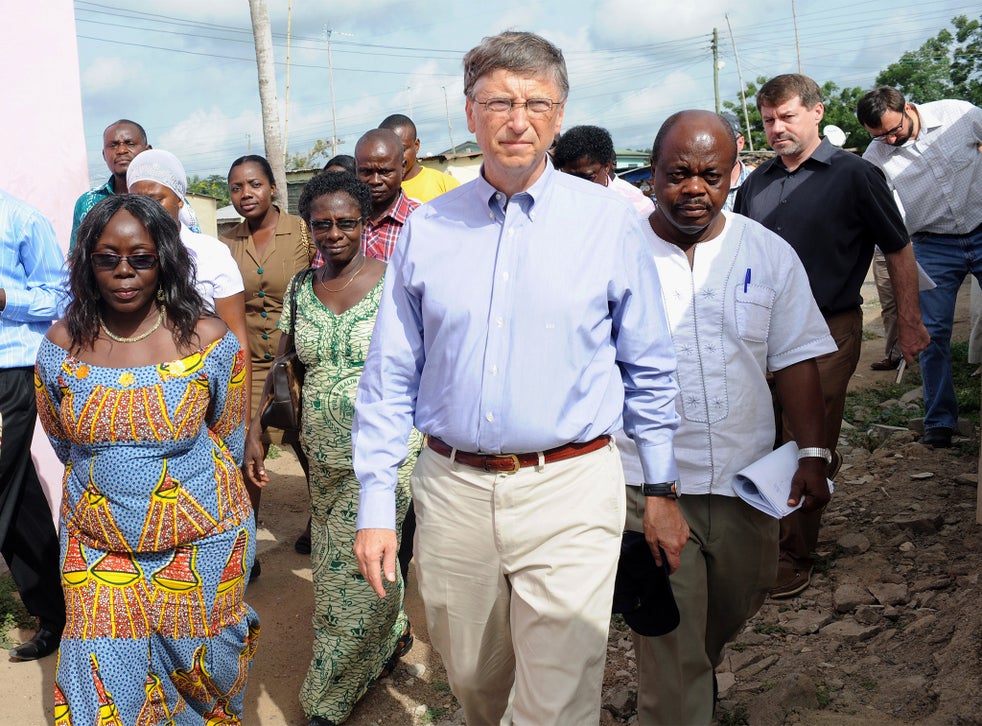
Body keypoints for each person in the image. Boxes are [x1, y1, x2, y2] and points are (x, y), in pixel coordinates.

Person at [352, 31, 680, 725]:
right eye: (498, 101)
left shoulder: (609, 225)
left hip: (571, 490)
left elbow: (649, 366)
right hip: (452, 493)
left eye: (537, 102)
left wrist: (661, 487)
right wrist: (378, 504)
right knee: (473, 681)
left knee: (556, 704)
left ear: (559, 115)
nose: (517, 118)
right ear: (469, 113)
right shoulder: (428, 230)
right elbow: (388, 376)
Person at [623, 110, 835, 724]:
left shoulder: (766, 253)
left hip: (746, 482)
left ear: (733, 173)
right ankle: (676, 705)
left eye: (711, 176)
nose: (694, 189)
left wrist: (812, 454)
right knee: (670, 632)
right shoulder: (616, 257)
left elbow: (794, 360)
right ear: (652, 176)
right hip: (649, 484)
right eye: (677, 174)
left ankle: (691, 681)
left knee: (735, 604)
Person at [35, 194, 259, 722]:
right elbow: (62, 439)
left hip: (202, 546)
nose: (124, 272)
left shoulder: (207, 338)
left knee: (205, 681)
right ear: (88, 263)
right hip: (98, 549)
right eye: (107, 258)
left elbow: (225, 438)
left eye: (141, 257)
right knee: (100, 687)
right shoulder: (62, 344)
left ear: (165, 259)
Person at [734, 73, 930, 599]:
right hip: (761, 333)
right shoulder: (755, 183)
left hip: (828, 329)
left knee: (803, 439)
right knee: (763, 433)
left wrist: (908, 322)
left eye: (788, 117)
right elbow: (735, 254)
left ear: (817, 113)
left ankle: (793, 554)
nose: (776, 129)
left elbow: (898, 248)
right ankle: (777, 513)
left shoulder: (856, 175)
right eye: (769, 120)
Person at [244, 173, 419, 726]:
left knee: (351, 573)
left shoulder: (397, 282)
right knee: (336, 560)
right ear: (311, 228)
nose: (335, 233)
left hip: (386, 455)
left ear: (366, 223)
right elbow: (283, 364)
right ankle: (391, 636)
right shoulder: (300, 288)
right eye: (323, 224)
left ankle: (328, 696)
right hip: (319, 454)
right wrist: (257, 430)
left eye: (347, 222)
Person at [857, 86, 982, 447]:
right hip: (932, 244)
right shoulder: (875, 158)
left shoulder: (958, 115)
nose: (890, 140)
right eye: (879, 135)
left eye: (894, 130)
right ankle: (940, 422)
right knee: (930, 333)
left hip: (980, 223)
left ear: (908, 107)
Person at [222, 154, 315, 555]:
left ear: (273, 187)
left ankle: (324, 523)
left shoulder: (303, 232)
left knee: (310, 448)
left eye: (255, 184)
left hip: (299, 358)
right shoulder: (227, 240)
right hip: (250, 362)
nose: (246, 194)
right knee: (249, 447)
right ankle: (245, 547)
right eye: (237, 187)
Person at [0, 188, 66, 661]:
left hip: (11, 371)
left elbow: (59, 296)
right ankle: (56, 611)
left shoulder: (23, 220)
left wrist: (5, 297)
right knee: (18, 495)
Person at [70, 119, 151, 247]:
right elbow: (75, 259)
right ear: (104, 155)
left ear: (147, 151)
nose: (121, 150)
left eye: (129, 143)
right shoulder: (87, 202)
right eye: (113, 145)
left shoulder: (165, 198)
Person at [553, 124, 654, 214]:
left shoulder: (635, 206)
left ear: (606, 166)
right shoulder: (554, 202)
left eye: (587, 178)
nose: (578, 186)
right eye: (569, 179)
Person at [379, 114, 461, 203]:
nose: (395, 157)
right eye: (388, 150)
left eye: (402, 149)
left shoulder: (446, 185)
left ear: (416, 146)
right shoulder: (376, 190)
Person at [720, 112, 752, 212]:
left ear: (741, 142)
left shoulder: (757, 184)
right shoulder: (701, 186)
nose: (721, 147)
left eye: (728, 141)